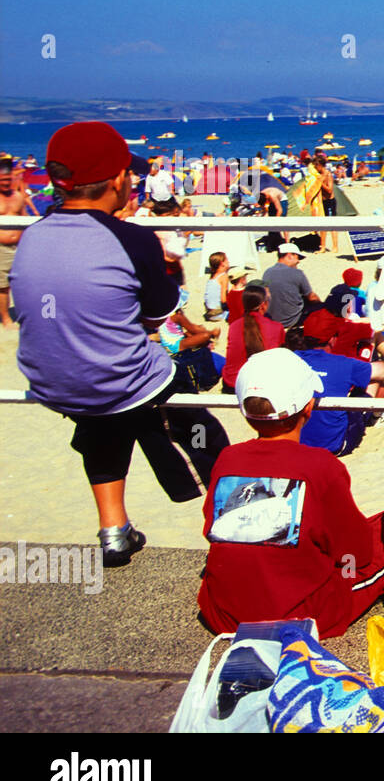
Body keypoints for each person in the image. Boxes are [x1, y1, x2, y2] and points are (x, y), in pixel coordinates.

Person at [10, 121, 229, 564]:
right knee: (200, 423)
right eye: (128, 173)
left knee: (104, 422)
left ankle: (114, 530)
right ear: (116, 181)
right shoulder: (131, 238)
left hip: (52, 382)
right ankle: (227, 526)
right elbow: (158, 313)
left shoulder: (32, 233)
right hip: (116, 380)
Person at [197, 348, 384, 639]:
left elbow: (214, 529)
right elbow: (355, 552)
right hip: (303, 615)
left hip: (223, 613)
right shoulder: (320, 465)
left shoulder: (228, 459)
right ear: (309, 408)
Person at [291, 309, 384, 456]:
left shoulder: (289, 360)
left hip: (296, 442)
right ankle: (375, 418)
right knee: (372, 380)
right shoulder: (342, 364)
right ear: (333, 338)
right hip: (334, 445)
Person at [221, 283, 284, 392]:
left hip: (232, 383)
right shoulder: (276, 327)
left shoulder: (234, 326)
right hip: (260, 385)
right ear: (263, 305)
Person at [0, 155, 33, 328]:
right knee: (3, 286)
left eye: (8, 179)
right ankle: (5, 318)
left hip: (19, 246)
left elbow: (25, 218)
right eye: (2, 180)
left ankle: (23, 313)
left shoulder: (18, 196)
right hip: (1, 248)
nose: (6, 183)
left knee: (21, 282)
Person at [263, 242, 320, 329]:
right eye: (297, 257)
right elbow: (312, 297)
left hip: (272, 319)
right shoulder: (297, 273)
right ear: (290, 256)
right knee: (321, 307)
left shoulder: (267, 272)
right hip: (292, 320)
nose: (298, 261)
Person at [203, 252, 229, 320]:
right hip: (218, 313)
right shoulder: (224, 276)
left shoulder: (213, 275)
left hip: (209, 312)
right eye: (227, 260)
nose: (229, 262)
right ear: (222, 263)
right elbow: (223, 299)